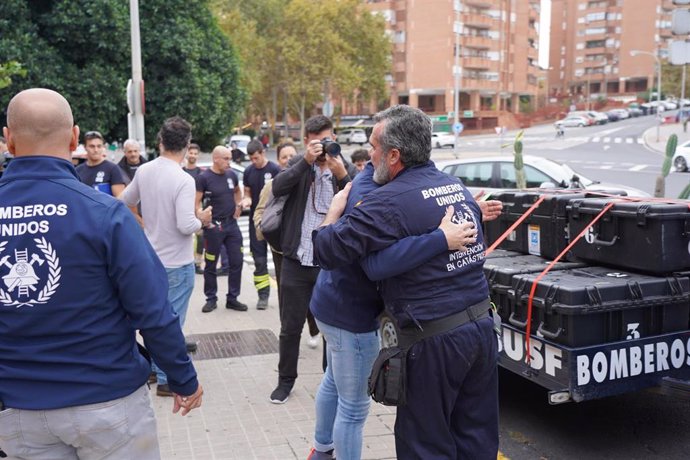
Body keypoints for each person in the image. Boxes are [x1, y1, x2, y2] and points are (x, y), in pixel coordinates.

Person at [0, 88, 203, 459]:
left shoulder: (108, 213)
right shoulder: (105, 214)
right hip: (108, 404)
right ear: (74, 138)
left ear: (8, 139)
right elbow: (153, 311)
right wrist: (183, 378)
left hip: (18, 408)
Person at [313, 105, 499, 459]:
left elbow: (325, 249)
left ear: (394, 155)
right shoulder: (455, 187)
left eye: (374, 148)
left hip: (434, 343)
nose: (369, 157)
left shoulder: (386, 202)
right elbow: (477, 246)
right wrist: (437, 242)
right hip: (481, 331)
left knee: (425, 444)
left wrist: (334, 211)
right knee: (476, 437)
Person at [120, 116, 213, 397]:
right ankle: (165, 378)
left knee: (152, 317)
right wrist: (203, 220)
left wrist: (145, 223)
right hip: (177, 262)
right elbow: (186, 225)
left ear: (161, 141)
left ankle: (152, 367)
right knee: (171, 323)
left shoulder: (145, 171)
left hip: (151, 258)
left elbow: (125, 201)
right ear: (186, 144)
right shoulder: (184, 180)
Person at [268, 115, 356, 404]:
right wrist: (305, 162)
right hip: (297, 259)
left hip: (329, 264)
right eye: (318, 140)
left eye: (329, 139)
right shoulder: (298, 164)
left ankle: (329, 381)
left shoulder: (343, 167)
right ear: (307, 140)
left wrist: (342, 174)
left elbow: (362, 207)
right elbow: (278, 187)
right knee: (290, 327)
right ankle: (285, 382)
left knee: (333, 328)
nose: (324, 146)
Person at [252, 142, 321, 345]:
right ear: (279, 160)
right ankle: (289, 333)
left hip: (305, 250)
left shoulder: (312, 181)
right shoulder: (273, 184)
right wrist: (264, 227)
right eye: (284, 157)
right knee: (287, 295)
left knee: (311, 292)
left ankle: (314, 329)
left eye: (292, 155)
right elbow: (259, 212)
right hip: (281, 250)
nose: (288, 160)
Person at [196, 146, 247, 313]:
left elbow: (238, 192)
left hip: (231, 225)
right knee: (210, 263)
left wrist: (239, 205)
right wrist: (200, 215)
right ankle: (211, 298)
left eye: (229, 158)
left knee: (237, 261)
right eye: (226, 158)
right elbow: (196, 203)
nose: (229, 162)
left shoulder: (232, 175)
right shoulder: (203, 178)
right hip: (213, 227)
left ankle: (233, 298)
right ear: (215, 158)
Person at [241, 139, 281, 309]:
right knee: (259, 260)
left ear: (262, 153)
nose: (253, 162)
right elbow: (247, 193)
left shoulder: (274, 170)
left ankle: (284, 296)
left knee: (279, 259)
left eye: (256, 158)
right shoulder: (248, 171)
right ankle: (262, 296)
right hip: (256, 223)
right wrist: (246, 200)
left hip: (274, 221)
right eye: (251, 159)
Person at [75, 130, 126, 196]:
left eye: (99, 146)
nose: (96, 150)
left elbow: (120, 199)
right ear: (85, 147)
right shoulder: (78, 171)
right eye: (92, 146)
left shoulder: (113, 169)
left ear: (103, 147)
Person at [183, 143, 205, 274]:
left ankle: (197, 263)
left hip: (197, 208)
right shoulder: (181, 171)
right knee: (184, 236)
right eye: (191, 153)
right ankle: (186, 263)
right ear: (187, 153)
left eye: (195, 153)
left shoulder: (201, 173)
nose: (193, 155)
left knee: (200, 237)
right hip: (183, 208)